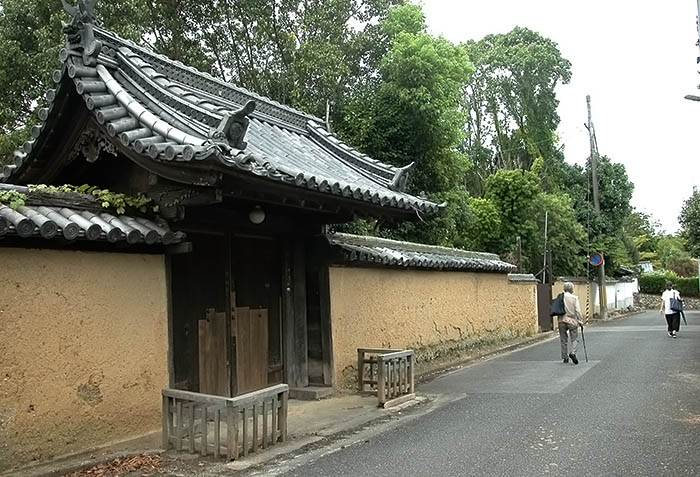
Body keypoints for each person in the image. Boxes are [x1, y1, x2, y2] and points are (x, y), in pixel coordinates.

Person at [558, 282, 584, 364]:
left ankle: (565, 357)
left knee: (563, 339)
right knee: (574, 338)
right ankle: (573, 352)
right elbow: (578, 310)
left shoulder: (560, 297)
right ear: (572, 289)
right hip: (572, 320)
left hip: (561, 320)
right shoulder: (574, 298)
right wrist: (580, 320)